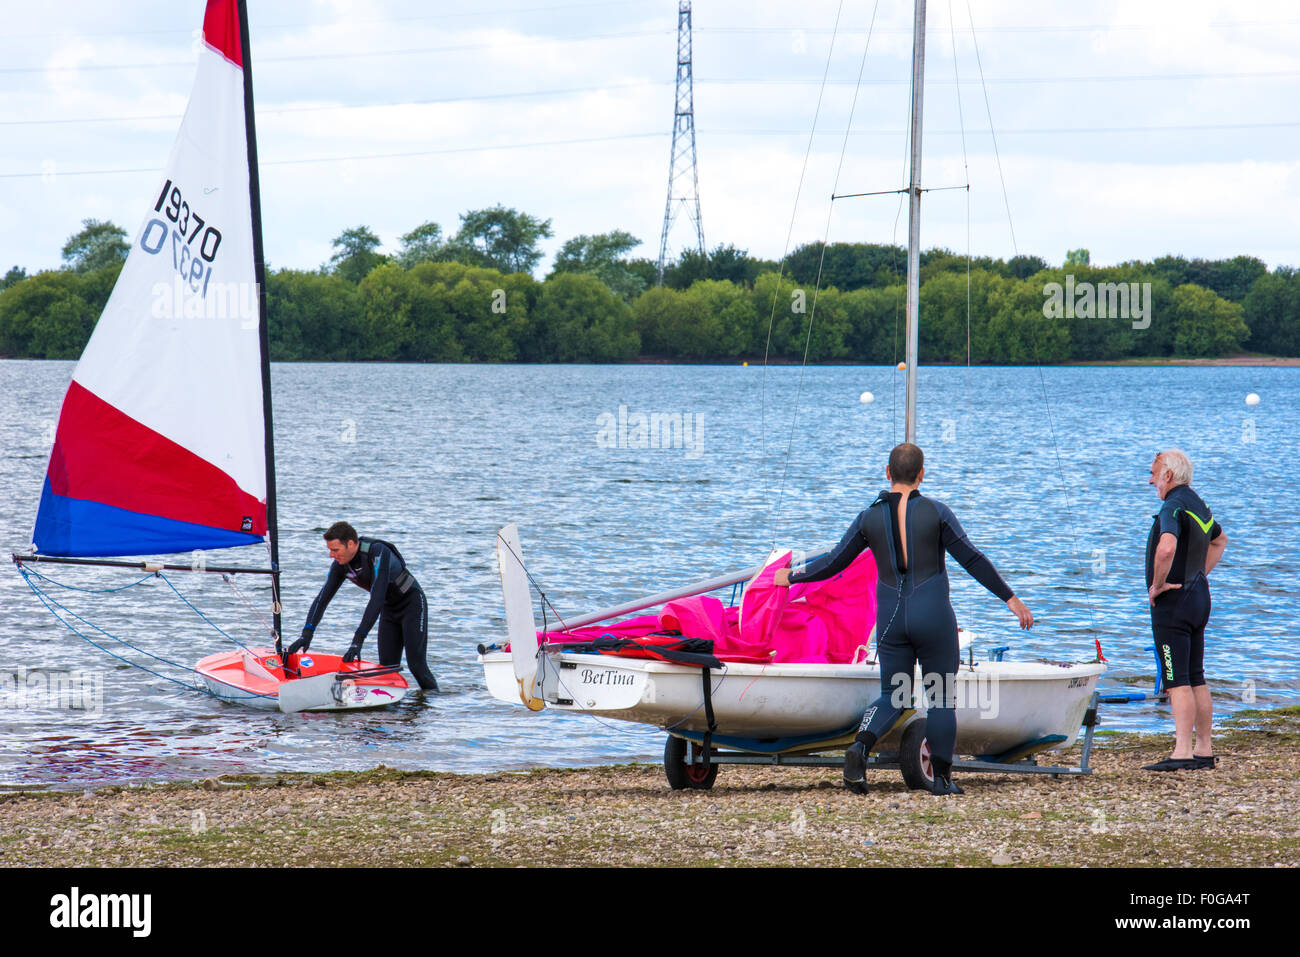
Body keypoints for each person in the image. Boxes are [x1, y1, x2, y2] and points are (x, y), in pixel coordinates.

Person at [776, 443, 1033, 795]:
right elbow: (972, 559)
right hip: (933, 617)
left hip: (892, 621)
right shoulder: (937, 512)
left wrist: (791, 576)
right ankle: (941, 780)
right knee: (940, 696)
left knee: (893, 696)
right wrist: (1010, 598)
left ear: (887, 472)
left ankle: (860, 748)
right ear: (922, 474)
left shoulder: (869, 517)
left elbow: (834, 561)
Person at [1143, 450, 1227, 771]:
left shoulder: (1172, 505)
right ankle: (1203, 749)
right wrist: (1199, 574)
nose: (1151, 480)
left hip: (1174, 604)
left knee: (1176, 680)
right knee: (1196, 676)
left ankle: (1181, 753)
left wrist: (1158, 585)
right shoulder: (1198, 504)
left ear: (1168, 475)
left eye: (1154, 473)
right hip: (1198, 599)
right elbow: (1220, 541)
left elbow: (1166, 547)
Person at [284, 521, 439, 691]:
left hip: (412, 603)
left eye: (335, 550)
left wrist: (357, 641)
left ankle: (430, 708)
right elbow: (322, 598)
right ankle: (391, 713)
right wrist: (307, 633)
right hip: (388, 608)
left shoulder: (378, 552)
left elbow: (377, 598)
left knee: (416, 665)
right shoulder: (340, 566)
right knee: (386, 668)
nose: (331, 555)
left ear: (350, 544)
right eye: (329, 550)